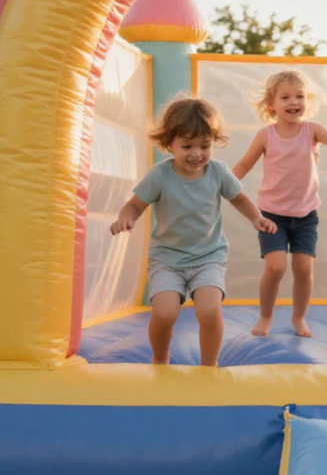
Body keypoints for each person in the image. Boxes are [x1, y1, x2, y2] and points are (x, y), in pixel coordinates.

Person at [110, 97, 276, 366]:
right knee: (165, 313)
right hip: (167, 259)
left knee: (209, 311)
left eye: (205, 146)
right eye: (187, 146)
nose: (197, 154)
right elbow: (134, 205)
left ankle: (209, 366)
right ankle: (160, 357)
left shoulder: (218, 172)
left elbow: (239, 198)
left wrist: (257, 218)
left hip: (208, 257)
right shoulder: (160, 176)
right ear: (170, 144)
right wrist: (125, 218)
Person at [232, 69, 327, 338]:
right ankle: (266, 316)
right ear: (271, 104)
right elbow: (244, 163)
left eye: (299, 96)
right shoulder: (265, 135)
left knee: (303, 268)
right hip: (272, 214)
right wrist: (226, 184)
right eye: (285, 97)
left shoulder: (311, 131)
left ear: (307, 101)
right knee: (275, 267)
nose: (293, 102)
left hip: (305, 214)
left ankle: (299, 318)